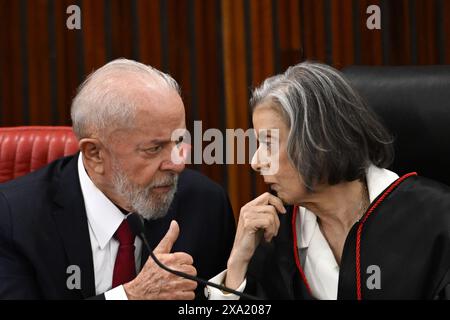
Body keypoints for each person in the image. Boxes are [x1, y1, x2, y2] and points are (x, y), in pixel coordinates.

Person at [206, 61, 450, 300]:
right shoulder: (275, 236)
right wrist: (237, 263)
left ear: (319, 141)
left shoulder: (437, 219)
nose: (256, 161)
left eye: (268, 144)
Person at [0, 59, 235, 300]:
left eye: (178, 141)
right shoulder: (12, 219)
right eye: (154, 149)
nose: (178, 163)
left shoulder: (204, 204)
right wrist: (130, 296)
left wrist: (238, 273)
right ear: (95, 154)